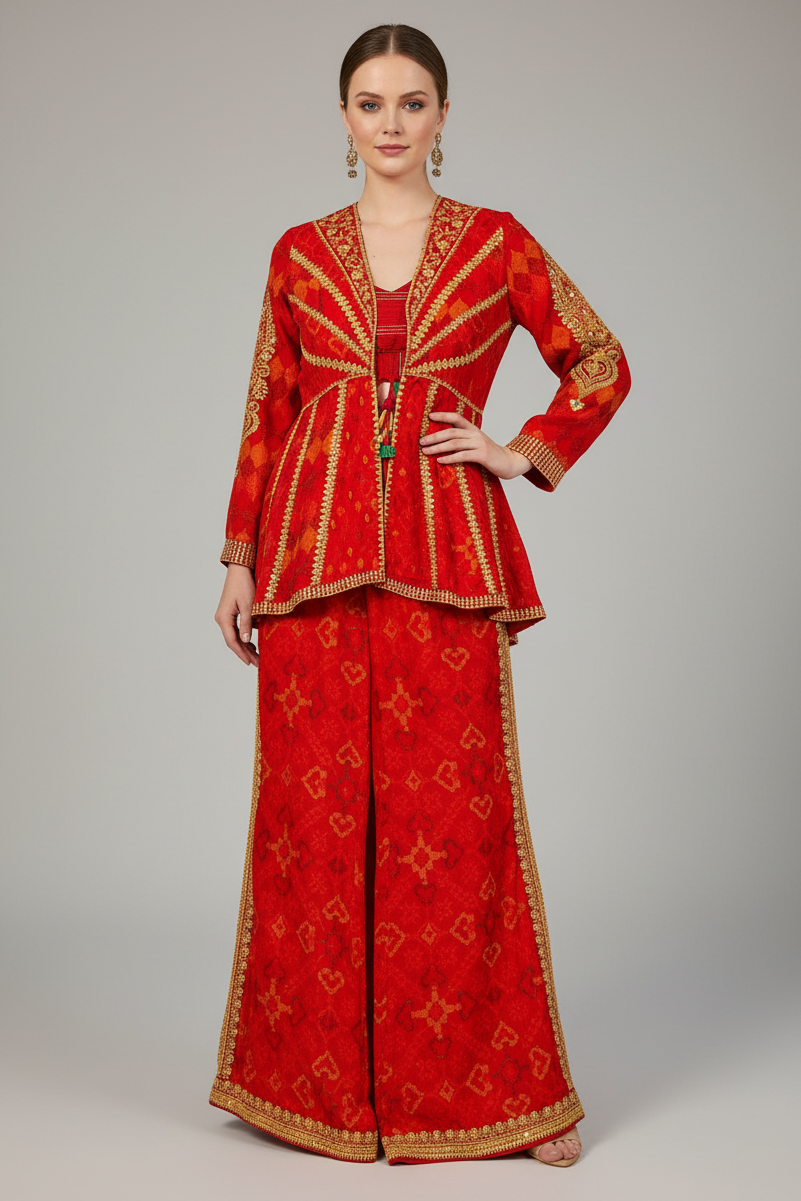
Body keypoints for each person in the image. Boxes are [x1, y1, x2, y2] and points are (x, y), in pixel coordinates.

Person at [210, 23, 630, 1168]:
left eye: (410, 102)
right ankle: (305, 1087)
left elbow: (598, 360)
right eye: (369, 102)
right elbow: (268, 409)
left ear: (444, 115)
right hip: (308, 567)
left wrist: (519, 450)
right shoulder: (299, 253)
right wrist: (239, 557)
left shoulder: (497, 243)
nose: (389, 123)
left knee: (459, 828)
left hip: (448, 561)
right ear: (342, 118)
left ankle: (508, 1096)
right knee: (311, 827)